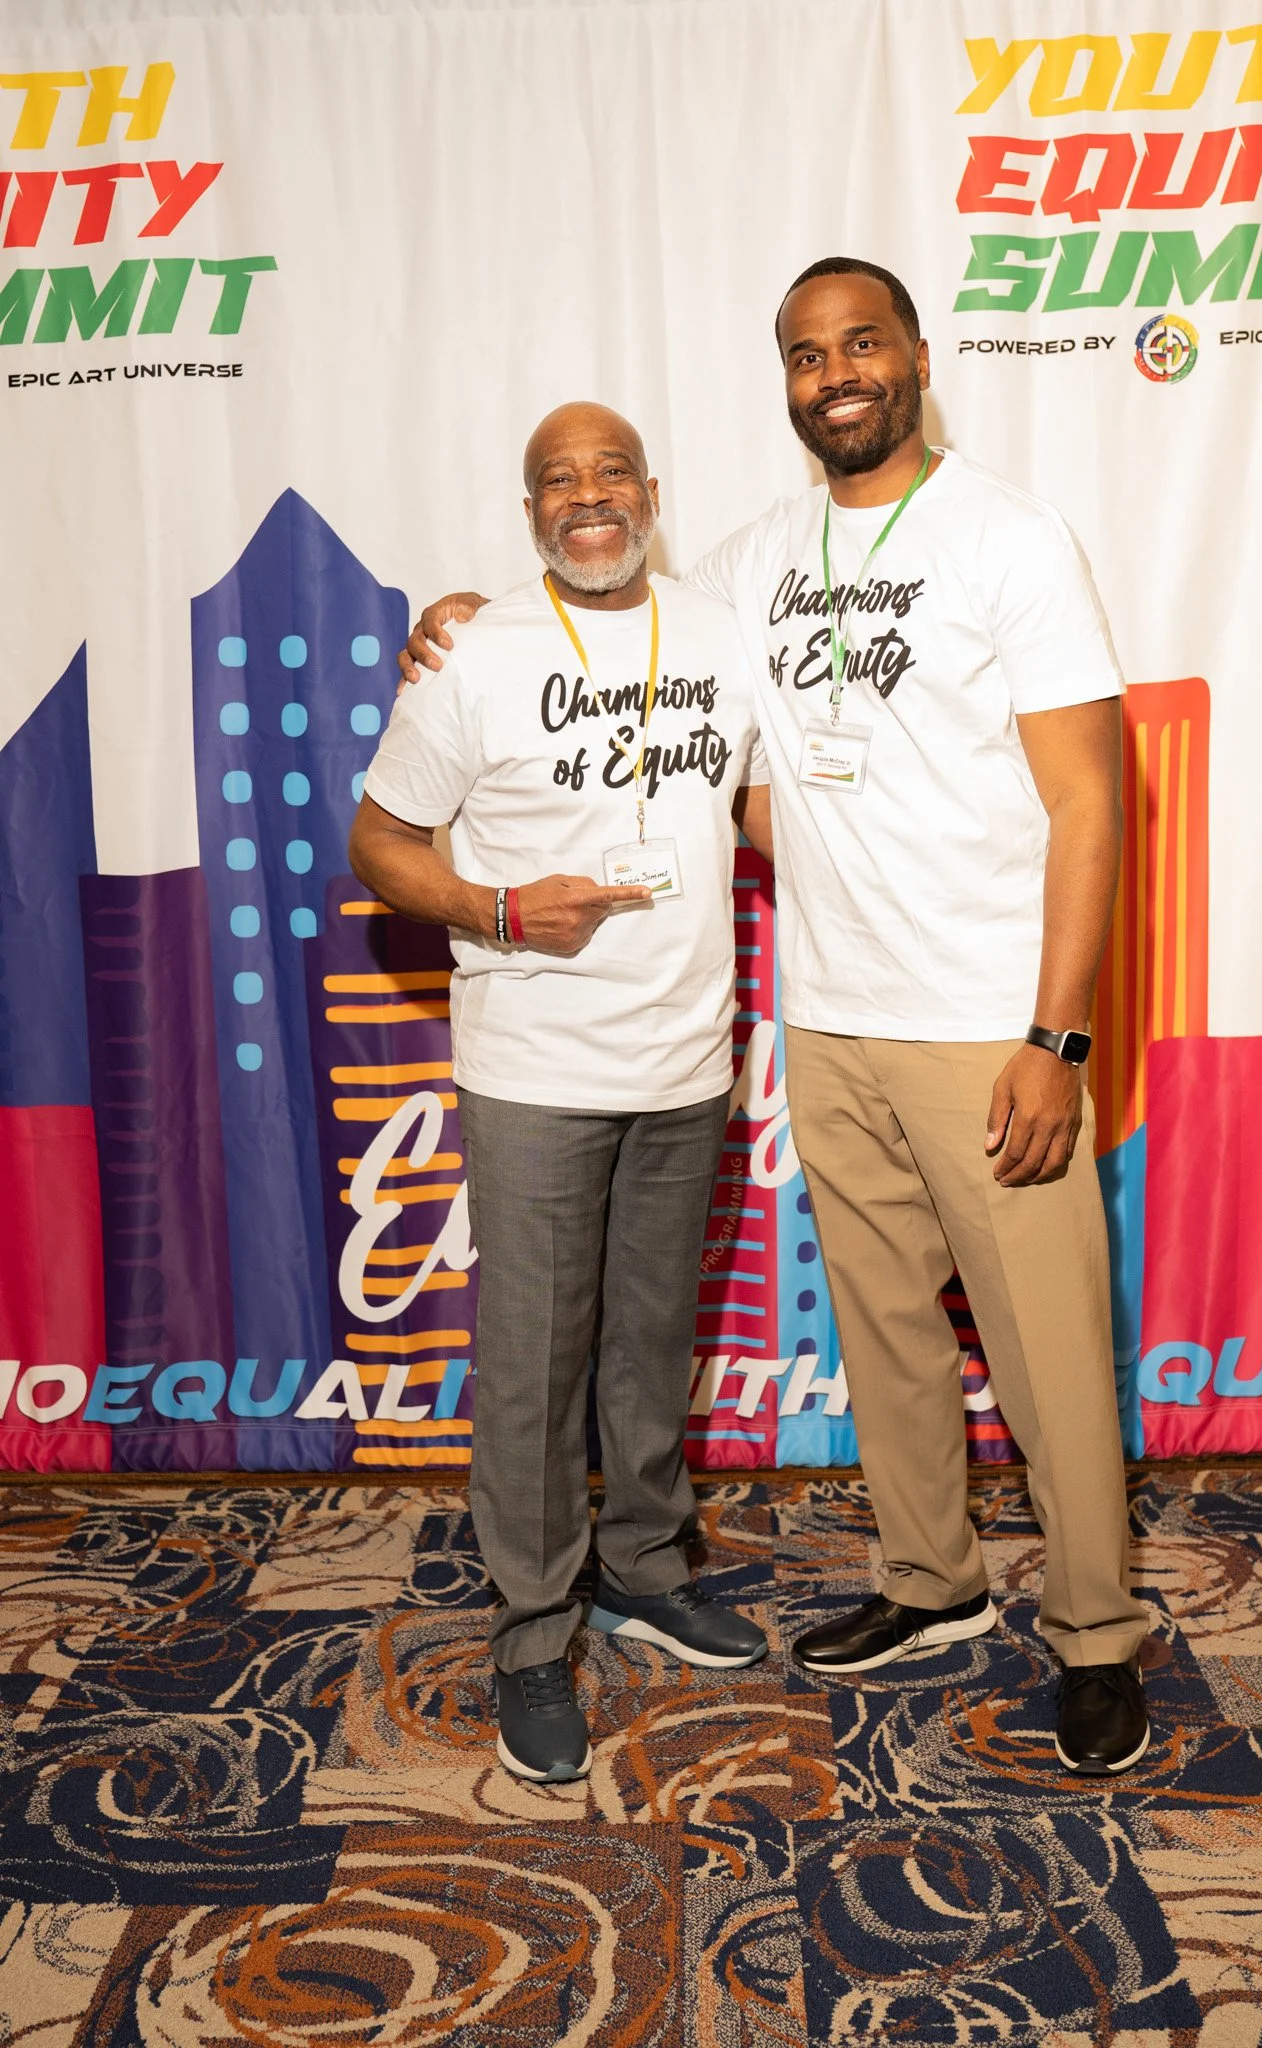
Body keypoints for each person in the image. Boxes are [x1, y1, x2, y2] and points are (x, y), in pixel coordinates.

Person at [399, 260, 1151, 1775]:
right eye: (807, 356)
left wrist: (1059, 1037)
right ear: (787, 382)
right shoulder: (751, 563)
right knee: (889, 1340)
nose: (837, 374)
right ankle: (932, 1582)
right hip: (834, 1013)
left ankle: (1096, 1632)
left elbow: (1092, 796)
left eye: (861, 343)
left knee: (1051, 1351)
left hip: (988, 1023)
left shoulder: (1012, 536)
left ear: (917, 356)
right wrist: (468, 623)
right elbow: (613, 622)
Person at [350, 401, 771, 1786]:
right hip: (534, 1060)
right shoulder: (477, 652)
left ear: (649, 492)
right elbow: (379, 840)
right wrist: (495, 906)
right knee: (535, 1362)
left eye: (608, 475)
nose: (585, 499)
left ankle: (644, 1566)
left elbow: (762, 807)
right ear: (530, 511)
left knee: (651, 1339)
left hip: (683, 1057)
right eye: (555, 482)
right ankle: (535, 1627)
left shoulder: (719, 631)